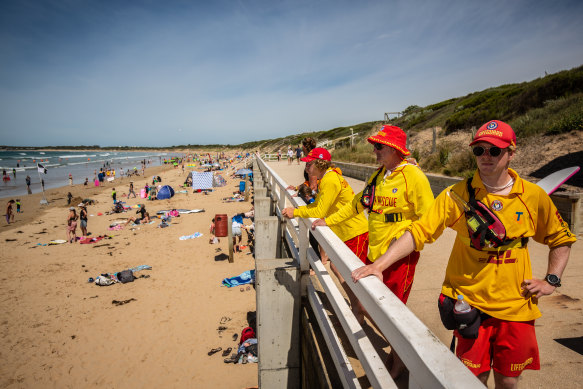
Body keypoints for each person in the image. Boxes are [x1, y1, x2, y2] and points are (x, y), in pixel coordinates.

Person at [351, 120, 576, 387]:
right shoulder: (456, 195)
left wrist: (551, 279)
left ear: (511, 153)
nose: (486, 157)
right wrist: (380, 264)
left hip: (516, 305)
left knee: (509, 381)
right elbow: (419, 231)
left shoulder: (533, 196)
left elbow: (561, 238)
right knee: (471, 380)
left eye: (494, 150)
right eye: (479, 150)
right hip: (468, 302)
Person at [313, 125, 434, 378]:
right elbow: (358, 204)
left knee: (394, 311)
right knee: (370, 305)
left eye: (379, 146)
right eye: (374, 146)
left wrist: (404, 239)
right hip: (375, 251)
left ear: (395, 149)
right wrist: (330, 220)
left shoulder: (413, 176)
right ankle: (398, 350)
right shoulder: (380, 176)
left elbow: (428, 219)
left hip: (400, 257)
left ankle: (400, 357)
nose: (374, 151)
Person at [282, 148, 370, 322]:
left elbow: (320, 209)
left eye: (309, 164)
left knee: (356, 277)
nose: (307, 167)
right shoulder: (329, 177)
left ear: (319, 163)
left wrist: (296, 212)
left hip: (355, 231)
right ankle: (357, 308)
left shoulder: (329, 179)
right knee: (338, 268)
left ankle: (365, 313)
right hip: (345, 231)